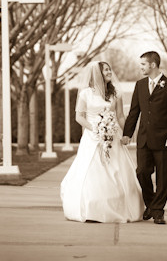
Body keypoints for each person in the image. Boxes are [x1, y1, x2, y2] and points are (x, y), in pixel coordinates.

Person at [60, 61, 144, 223]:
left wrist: (127, 133)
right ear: (97, 73)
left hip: (113, 136)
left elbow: (120, 115)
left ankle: (117, 207)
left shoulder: (115, 93)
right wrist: (95, 129)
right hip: (92, 138)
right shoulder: (85, 94)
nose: (109, 72)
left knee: (117, 170)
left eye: (109, 69)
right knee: (92, 171)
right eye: (105, 69)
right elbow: (79, 117)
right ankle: (91, 208)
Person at [122, 51, 167, 225]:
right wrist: (127, 133)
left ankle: (158, 212)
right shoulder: (139, 85)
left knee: (163, 177)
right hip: (144, 139)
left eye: (143, 64)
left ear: (152, 65)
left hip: (163, 140)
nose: (140, 67)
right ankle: (151, 204)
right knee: (141, 172)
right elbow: (134, 112)